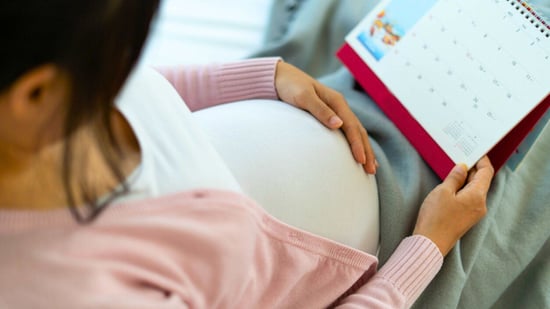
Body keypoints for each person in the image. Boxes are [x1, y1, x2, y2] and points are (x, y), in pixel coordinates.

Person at [0, 1, 494, 308]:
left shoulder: (38, 93)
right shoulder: (87, 293)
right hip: (398, 238)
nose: (129, 70)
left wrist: (265, 76)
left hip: (332, 116)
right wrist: (426, 250)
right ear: (36, 96)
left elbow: (143, 90)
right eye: (123, 55)